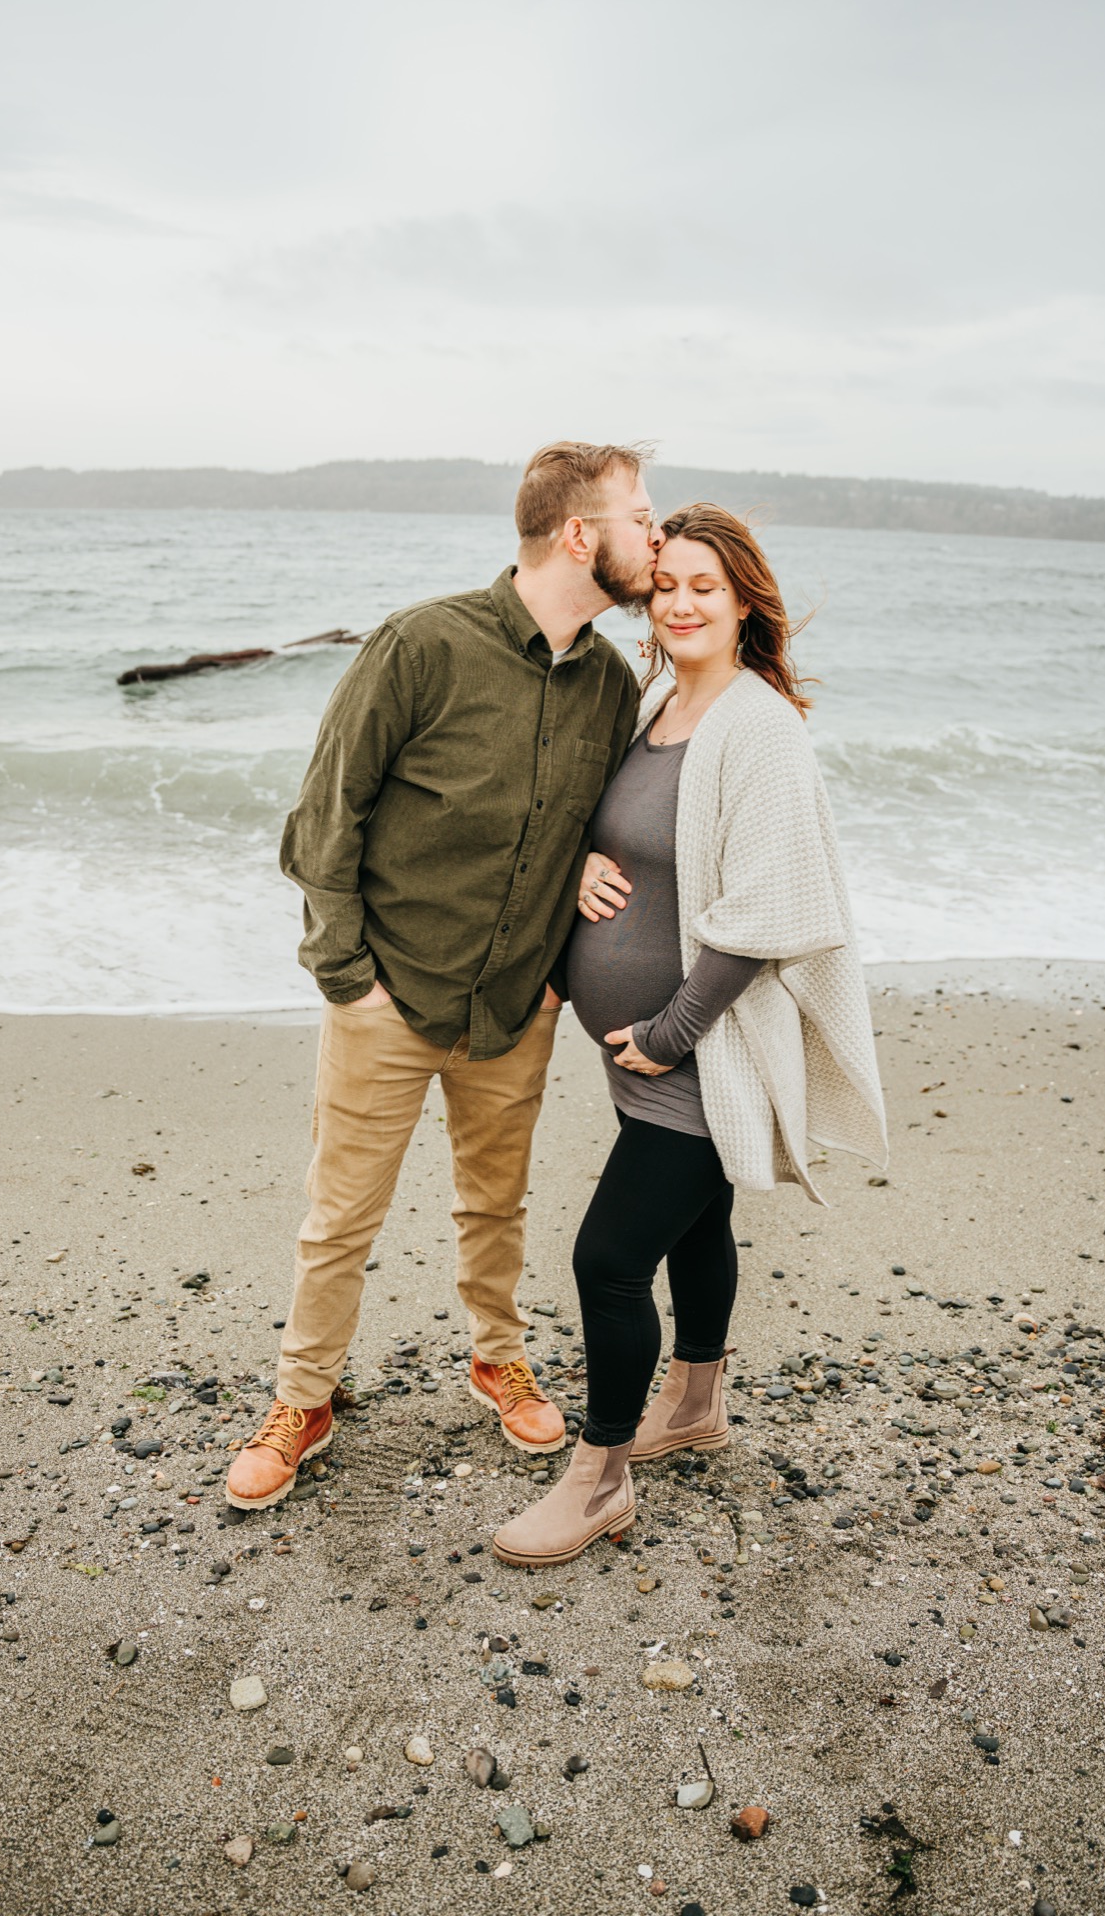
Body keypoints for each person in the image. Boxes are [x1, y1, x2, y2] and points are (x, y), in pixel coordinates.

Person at [226, 442, 663, 1510]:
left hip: (517, 1002)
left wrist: (562, 964)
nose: (655, 536)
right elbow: (323, 819)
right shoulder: (421, 644)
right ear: (578, 534)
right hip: (391, 992)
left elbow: (598, 830)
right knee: (341, 1217)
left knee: (495, 1204)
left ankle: (496, 1357)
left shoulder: (610, 680)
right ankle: (303, 1398)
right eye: (641, 518)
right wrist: (348, 977)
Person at [492, 502, 888, 1567]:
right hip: (651, 1046)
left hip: (696, 1048)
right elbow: (616, 827)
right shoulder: (663, 699)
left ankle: (599, 1476)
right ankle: (696, 1400)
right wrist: (576, 870)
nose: (679, 601)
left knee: (609, 1259)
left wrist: (669, 1031)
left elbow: (771, 910)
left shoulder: (757, 725)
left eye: (704, 585)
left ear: (746, 597)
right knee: (695, 1223)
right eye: (666, 583)